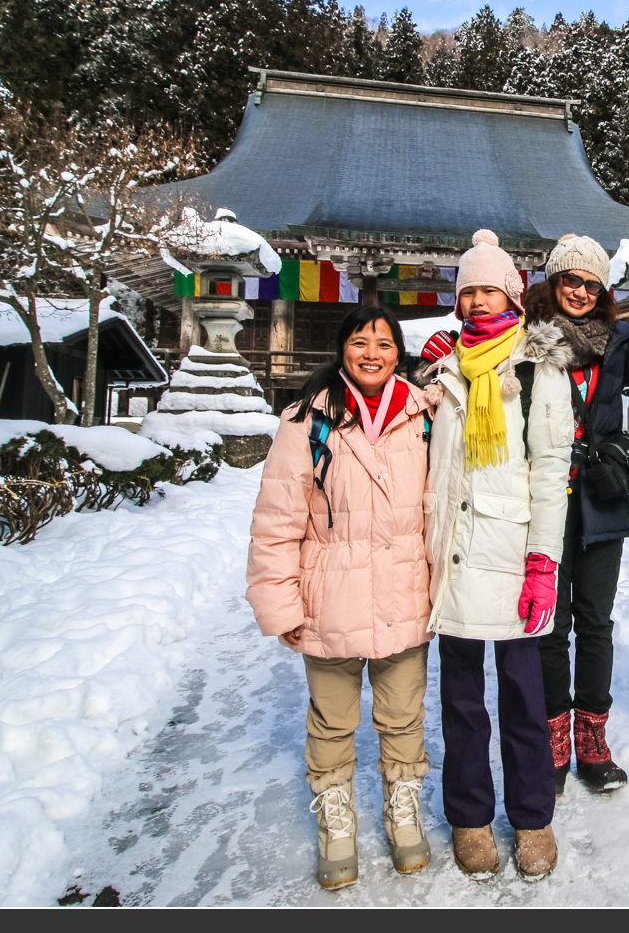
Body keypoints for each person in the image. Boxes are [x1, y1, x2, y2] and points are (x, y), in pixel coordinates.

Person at [246, 305, 435, 890]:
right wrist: (280, 604)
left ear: (398, 352)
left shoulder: (424, 415)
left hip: (405, 590)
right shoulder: (308, 420)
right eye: (360, 341)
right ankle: (337, 822)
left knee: (403, 717)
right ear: (342, 349)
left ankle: (403, 814)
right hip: (329, 594)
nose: (372, 353)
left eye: (383, 342)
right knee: (332, 721)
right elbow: (276, 520)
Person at [416, 229, 574, 881]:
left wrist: (544, 560)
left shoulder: (539, 361)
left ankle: (533, 816)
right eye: (469, 290)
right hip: (453, 550)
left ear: (511, 293)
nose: (479, 300)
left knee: (522, 692)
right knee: (460, 698)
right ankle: (471, 817)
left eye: (490, 288)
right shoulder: (441, 364)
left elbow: (551, 466)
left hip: (512, 552)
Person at [522, 234, 629, 794]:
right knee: (551, 628)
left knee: (596, 624)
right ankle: (553, 739)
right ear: (553, 283)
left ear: (602, 291)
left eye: (590, 284)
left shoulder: (620, 345)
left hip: (601, 502)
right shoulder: (525, 343)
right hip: (545, 504)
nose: (579, 291)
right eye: (570, 280)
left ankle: (592, 739)